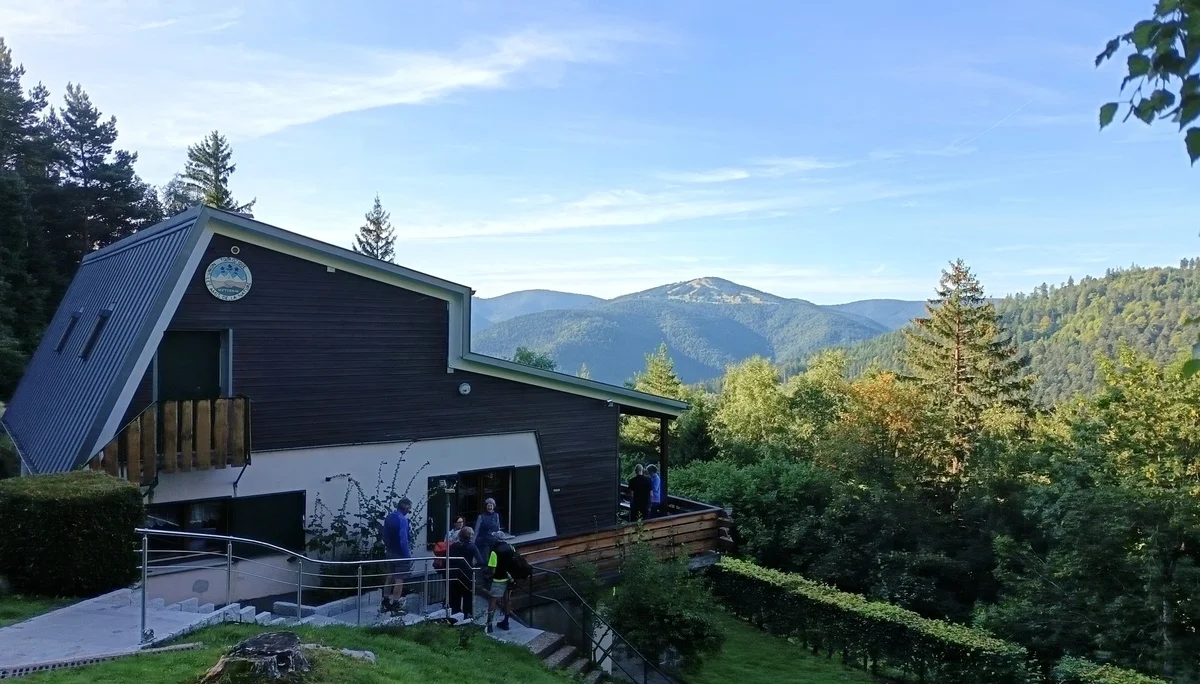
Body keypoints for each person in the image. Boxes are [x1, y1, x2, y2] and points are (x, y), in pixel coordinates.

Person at [381, 497, 413, 614]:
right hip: (400, 554)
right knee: (399, 579)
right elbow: (403, 540)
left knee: (389, 576)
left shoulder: (389, 517)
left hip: (390, 552)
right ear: (406, 507)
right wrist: (407, 555)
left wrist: (388, 547)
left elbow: (384, 535)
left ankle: (385, 602)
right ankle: (395, 604)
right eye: (409, 509)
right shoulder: (402, 520)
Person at [447, 526, 482, 619]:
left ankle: (454, 615)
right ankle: (467, 616)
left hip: (454, 574)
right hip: (467, 574)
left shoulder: (453, 546)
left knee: (455, 596)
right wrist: (473, 568)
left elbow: (448, 560)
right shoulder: (472, 547)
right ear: (470, 536)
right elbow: (481, 561)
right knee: (468, 595)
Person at [484, 540, 517, 632]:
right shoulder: (511, 547)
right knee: (507, 599)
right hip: (509, 578)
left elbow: (492, 569)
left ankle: (489, 625)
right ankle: (506, 622)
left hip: (498, 580)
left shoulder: (494, 551)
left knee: (492, 601)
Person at [474, 498, 502, 564]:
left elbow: (498, 528)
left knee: (494, 559)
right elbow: (476, 531)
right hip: (484, 541)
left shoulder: (496, 515)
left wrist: (499, 539)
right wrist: (473, 541)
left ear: (493, 506)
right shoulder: (481, 517)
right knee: (485, 559)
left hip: (493, 541)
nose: (489, 507)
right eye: (488, 505)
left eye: (491, 505)